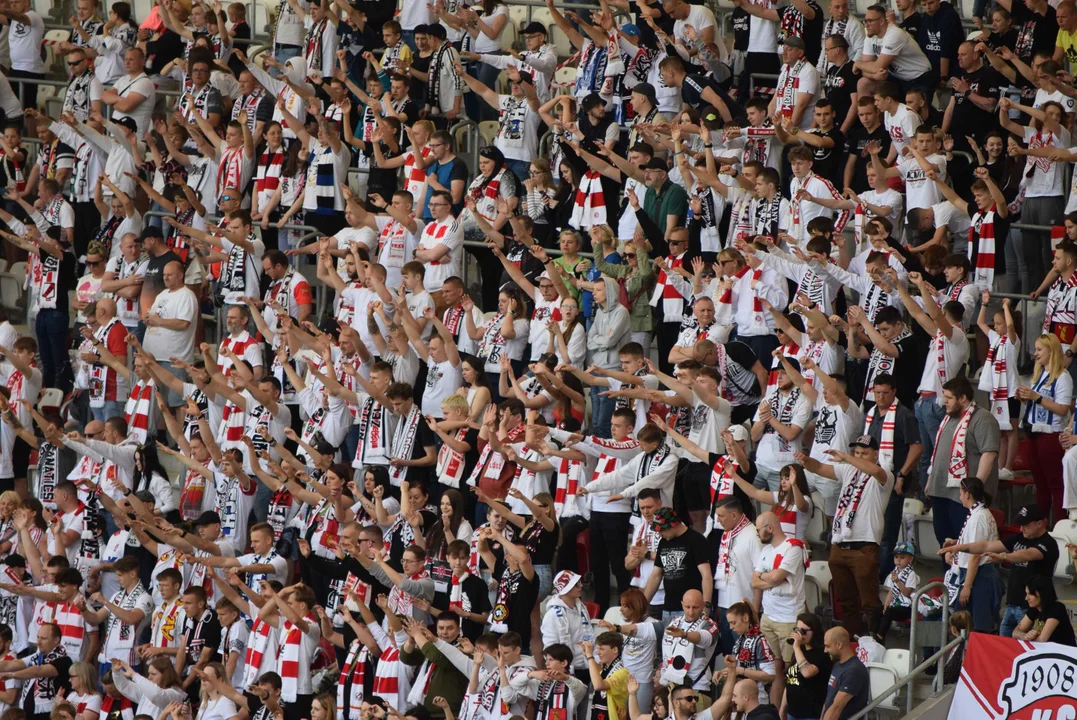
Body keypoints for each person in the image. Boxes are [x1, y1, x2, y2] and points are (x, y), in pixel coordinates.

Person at [781, 613, 832, 720]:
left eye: (803, 631)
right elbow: (791, 680)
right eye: (797, 629)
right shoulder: (799, 651)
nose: (799, 634)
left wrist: (796, 648)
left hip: (810, 714)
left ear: (814, 631)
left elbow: (807, 672)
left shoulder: (822, 653)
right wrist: (782, 710)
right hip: (793, 712)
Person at [820, 627, 870, 720]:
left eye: (828, 646)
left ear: (839, 645)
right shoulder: (837, 665)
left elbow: (837, 707)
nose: (825, 650)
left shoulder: (854, 670)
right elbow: (828, 701)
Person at [1012, 575, 1077, 645]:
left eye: (1030, 594)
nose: (1026, 598)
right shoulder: (1033, 609)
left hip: (1063, 653)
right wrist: (1025, 636)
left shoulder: (1057, 608)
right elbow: (1015, 632)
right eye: (1026, 594)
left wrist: (1029, 638)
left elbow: (1042, 640)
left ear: (1042, 593)